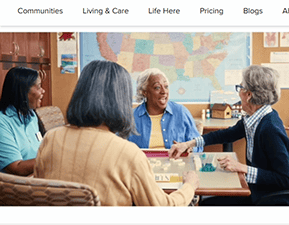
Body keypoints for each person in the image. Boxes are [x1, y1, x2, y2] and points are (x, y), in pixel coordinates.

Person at [34, 60, 199, 206]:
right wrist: (189, 186)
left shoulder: (51, 139)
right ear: (121, 101)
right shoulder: (128, 153)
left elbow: (39, 194)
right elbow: (162, 208)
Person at [169, 65, 289, 206]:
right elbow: (226, 135)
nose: (238, 93)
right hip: (256, 191)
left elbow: (285, 179)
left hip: (268, 199)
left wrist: (242, 168)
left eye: (240, 88)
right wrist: (188, 144)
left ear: (249, 94)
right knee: (206, 201)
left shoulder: (270, 128)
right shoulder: (253, 119)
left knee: (206, 205)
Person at [128, 68, 201, 152]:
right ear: (144, 92)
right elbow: (118, 147)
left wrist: (191, 149)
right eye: (157, 87)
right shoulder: (131, 117)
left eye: (166, 86)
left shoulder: (181, 112)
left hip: (176, 163)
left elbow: (198, 144)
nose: (164, 91)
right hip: (143, 164)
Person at [0, 67, 45, 176]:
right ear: (23, 91)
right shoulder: (3, 122)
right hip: (17, 187)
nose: (43, 91)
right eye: (38, 87)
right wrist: (51, 158)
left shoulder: (31, 115)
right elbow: (16, 168)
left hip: (35, 176)